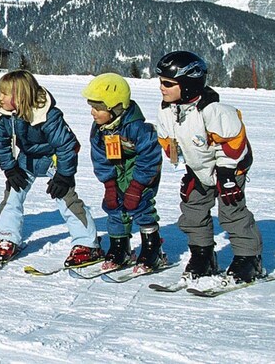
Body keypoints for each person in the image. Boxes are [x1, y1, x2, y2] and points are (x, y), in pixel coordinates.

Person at [155, 51, 265, 284]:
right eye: (161, 82)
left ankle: (249, 259)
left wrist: (226, 175)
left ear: (188, 84)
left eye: (168, 83)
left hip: (229, 169)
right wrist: (187, 168)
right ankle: (203, 256)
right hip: (199, 169)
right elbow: (169, 142)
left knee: (231, 212)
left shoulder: (212, 111)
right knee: (192, 211)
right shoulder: (166, 111)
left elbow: (234, 142)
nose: (162, 88)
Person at [0, 70, 101, 266]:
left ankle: (87, 243)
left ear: (20, 96)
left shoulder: (48, 115)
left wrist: (64, 176)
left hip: (53, 158)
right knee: (13, 193)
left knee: (65, 197)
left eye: (4, 94)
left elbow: (66, 146)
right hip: (27, 158)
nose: (0, 98)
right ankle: (7, 236)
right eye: (0, 93)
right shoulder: (2, 115)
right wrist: (10, 168)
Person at [82, 73, 166, 273]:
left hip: (141, 172)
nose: (93, 112)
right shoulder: (100, 130)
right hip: (117, 171)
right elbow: (100, 157)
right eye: (91, 107)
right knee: (114, 206)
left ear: (115, 108)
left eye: (98, 108)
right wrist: (109, 184)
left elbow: (150, 156)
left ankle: (153, 248)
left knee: (140, 205)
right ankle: (120, 247)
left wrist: (137, 186)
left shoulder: (138, 128)